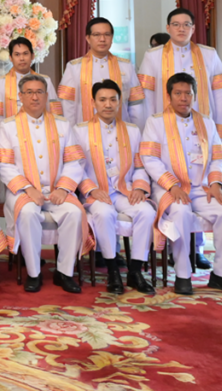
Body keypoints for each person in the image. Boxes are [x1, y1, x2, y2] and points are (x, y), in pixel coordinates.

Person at [140, 73, 222, 296]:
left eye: (188, 93)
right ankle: (183, 275)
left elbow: (218, 156)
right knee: (180, 213)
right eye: (178, 93)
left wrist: (216, 183)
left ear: (194, 95)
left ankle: (221, 275)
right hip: (169, 188)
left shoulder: (206, 122)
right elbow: (149, 158)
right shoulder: (155, 121)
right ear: (169, 96)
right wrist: (172, 185)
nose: (183, 98)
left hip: (201, 188)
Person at [0, 75, 92, 293]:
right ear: (20, 96)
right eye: (29, 92)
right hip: (23, 191)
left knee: (74, 213)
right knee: (28, 213)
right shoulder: (7, 126)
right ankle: (33, 272)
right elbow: (4, 165)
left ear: (47, 95)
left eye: (39, 91)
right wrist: (28, 189)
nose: (34, 96)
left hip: (57, 191)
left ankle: (65, 272)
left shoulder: (63, 125)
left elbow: (75, 160)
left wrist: (63, 188)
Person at [70, 80, 156, 295]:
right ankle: (112, 271)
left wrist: (139, 187)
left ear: (119, 102)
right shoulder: (79, 131)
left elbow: (140, 165)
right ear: (93, 102)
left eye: (112, 99)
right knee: (103, 212)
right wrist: (89, 189)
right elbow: (75, 167)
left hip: (124, 190)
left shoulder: (133, 131)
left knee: (146, 211)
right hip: (96, 194)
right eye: (102, 100)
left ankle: (135, 271)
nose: (108, 104)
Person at [138, 8, 222, 142]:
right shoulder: (153, 56)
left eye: (186, 25)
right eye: (176, 24)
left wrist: (221, 131)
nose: (181, 29)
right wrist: (148, 130)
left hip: (202, 128)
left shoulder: (209, 54)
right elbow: (146, 97)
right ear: (168, 28)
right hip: (164, 129)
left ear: (193, 29)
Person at [59, 17, 145, 126]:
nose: (102, 39)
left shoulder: (125, 66)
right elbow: (67, 104)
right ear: (88, 38)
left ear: (112, 38)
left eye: (107, 35)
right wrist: (70, 133)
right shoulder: (74, 67)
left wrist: (136, 131)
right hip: (84, 133)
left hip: (121, 133)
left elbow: (135, 103)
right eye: (96, 35)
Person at [0, 37, 61, 140]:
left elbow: (54, 112)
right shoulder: (0, 83)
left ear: (32, 56)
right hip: (11, 138)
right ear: (11, 58)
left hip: (41, 137)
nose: (22, 58)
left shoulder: (45, 81)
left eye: (25, 54)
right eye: (17, 54)